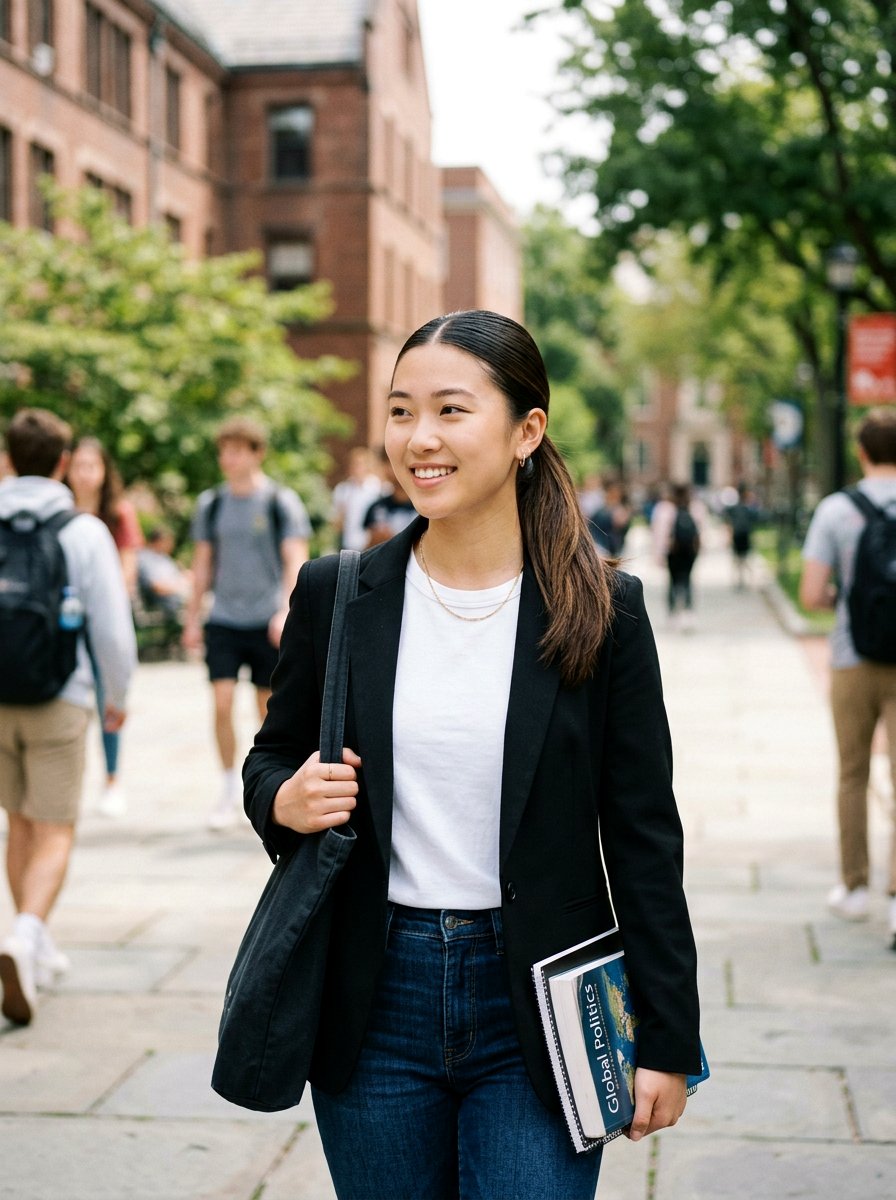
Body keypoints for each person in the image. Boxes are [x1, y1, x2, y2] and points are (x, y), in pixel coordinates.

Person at [243, 310, 701, 1198]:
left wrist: (668, 1038)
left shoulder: (604, 611)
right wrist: (281, 799)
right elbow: (272, 757)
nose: (419, 439)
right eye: (401, 411)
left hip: (543, 1001)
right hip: (374, 998)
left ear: (527, 431)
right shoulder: (339, 593)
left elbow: (645, 838)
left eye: (451, 410)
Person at [0, 409, 137, 1025]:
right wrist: (118, 694)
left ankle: (35, 937)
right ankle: (26, 934)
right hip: (61, 695)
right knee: (55, 827)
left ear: (9, 459)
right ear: (61, 463)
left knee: (19, 822)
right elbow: (110, 627)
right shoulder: (82, 531)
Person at [182, 416, 311, 831]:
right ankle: (225, 788)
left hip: (266, 620)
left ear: (257, 453)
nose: (228, 458)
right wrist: (192, 617)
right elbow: (202, 564)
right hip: (224, 618)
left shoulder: (279, 501)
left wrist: (287, 611)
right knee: (221, 702)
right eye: (224, 450)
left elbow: (295, 559)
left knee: (266, 711)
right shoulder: (212, 504)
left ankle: (265, 786)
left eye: (237, 450)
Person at [799, 408, 896, 944]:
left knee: (853, 773)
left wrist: (846, 601)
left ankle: (855, 888)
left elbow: (812, 593)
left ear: (861, 452)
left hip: (851, 656)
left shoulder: (837, 510)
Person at [65, 437, 142, 817]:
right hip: (66, 620)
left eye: (91, 466)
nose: (84, 474)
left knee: (108, 700)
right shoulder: (60, 510)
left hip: (103, 616)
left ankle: (112, 779)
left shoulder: (117, 513)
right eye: (78, 465)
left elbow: (127, 570)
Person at [651, 482, 704, 630]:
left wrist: (658, 554)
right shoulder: (696, 507)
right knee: (687, 579)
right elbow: (701, 529)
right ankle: (688, 612)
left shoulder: (664, 508)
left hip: (672, 551)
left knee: (672, 580)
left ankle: (673, 613)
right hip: (689, 551)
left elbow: (658, 533)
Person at [331, 446, 384, 552]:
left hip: (371, 545)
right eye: (354, 464)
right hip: (348, 544)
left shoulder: (377, 488)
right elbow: (336, 520)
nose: (357, 468)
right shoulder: (343, 489)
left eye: (360, 464)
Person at [137, 525, 191, 620]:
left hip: (178, 594)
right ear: (159, 541)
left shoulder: (164, 558)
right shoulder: (145, 559)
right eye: (169, 542)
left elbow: (179, 574)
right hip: (164, 601)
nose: (171, 546)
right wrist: (180, 588)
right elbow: (156, 587)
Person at [362, 457, 416, 546]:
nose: (394, 470)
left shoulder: (425, 508)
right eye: (389, 463)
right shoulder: (376, 508)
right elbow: (367, 548)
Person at [724, 483, 758, 590]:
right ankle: (743, 580)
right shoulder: (747, 509)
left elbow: (729, 523)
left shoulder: (734, 509)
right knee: (743, 560)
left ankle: (740, 580)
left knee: (738, 560)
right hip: (743, 536)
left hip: (738, 536)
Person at [588, 477, 632, 558]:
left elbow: (623, 525)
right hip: (600, 545)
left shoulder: (621, 509)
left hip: (613, 545)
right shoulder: (600, 506)